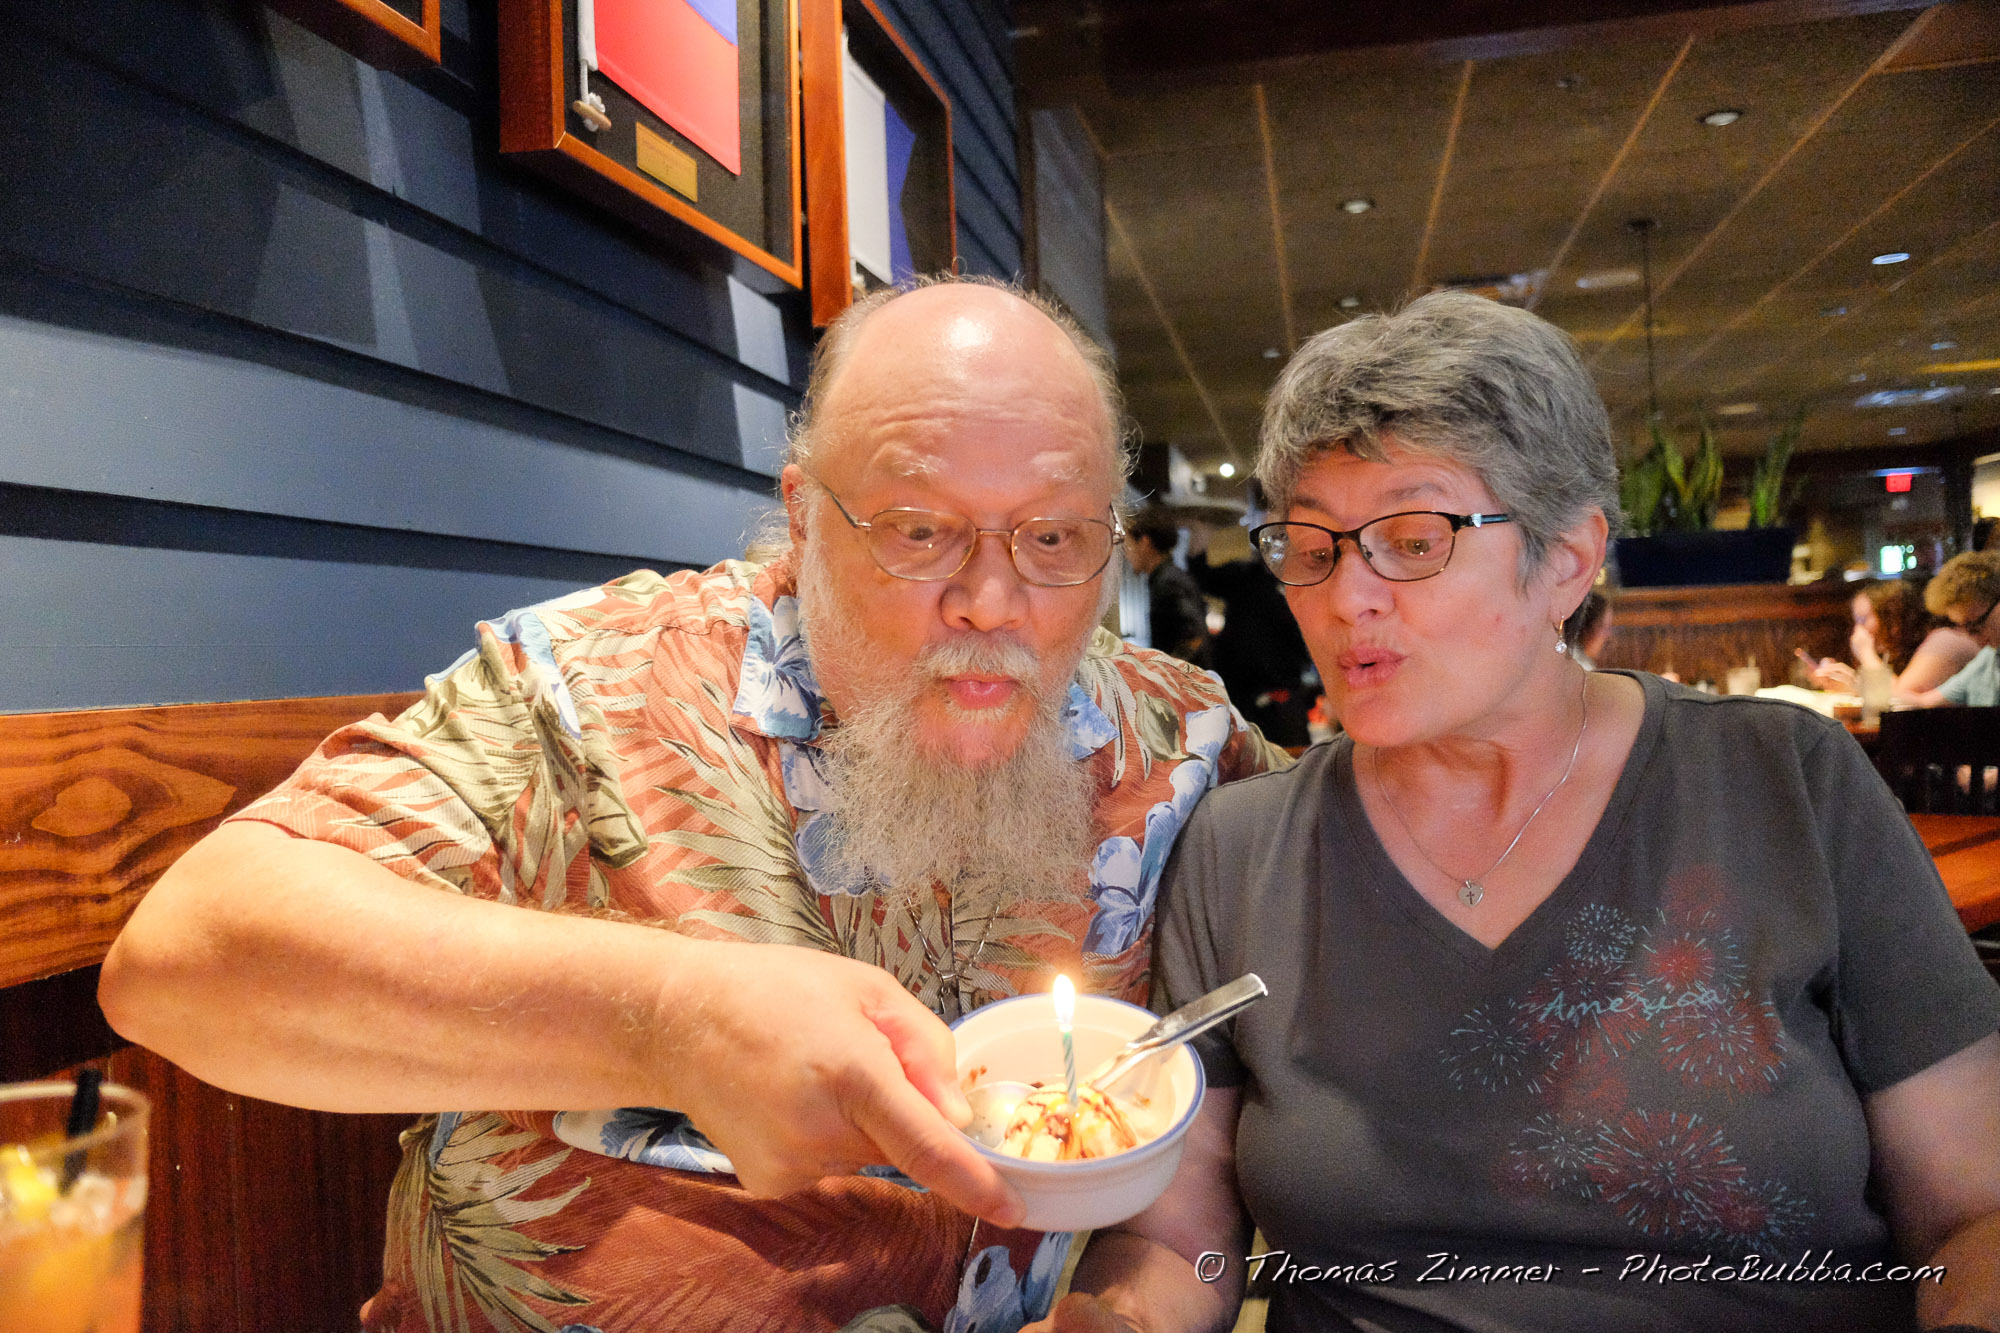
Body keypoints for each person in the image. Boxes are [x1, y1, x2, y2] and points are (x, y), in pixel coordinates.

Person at [97, 278, 1285, 1333]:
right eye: (919, 531)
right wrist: (667, 1017)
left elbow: (1210, 1180)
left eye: (1053, 536)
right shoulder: (590, 691)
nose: (991, 597)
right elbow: (182, 963)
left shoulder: (1180, 743)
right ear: (804, 515)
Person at [1032, 292, 2000, 1333]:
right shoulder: (1239, 848)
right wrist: (1117, 1320)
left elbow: (1973, 1211)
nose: (1346, 597)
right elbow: (1178, 1239)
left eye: (1413, 539)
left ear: (1567, 560)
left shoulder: (1784, 783)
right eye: (1311, 547)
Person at [1185, 490, 1318, 749]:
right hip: (1246, 703)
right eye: (1268, 534)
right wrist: (1200, 530)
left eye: (1282, 534)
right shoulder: (1249, 576)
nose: (1274, 541)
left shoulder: (1311, 578)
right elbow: (1202, 574)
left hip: (1284, 705)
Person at [1804, 578, 1978, 697]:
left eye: (1863, 620)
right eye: (1856, 621)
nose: (1858, 630)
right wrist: (1853, 684)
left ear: (1894, 619)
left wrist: (1866, 654)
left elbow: (1897, 699)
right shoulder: (1903, 650)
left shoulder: (1944, 641)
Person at [1125, 508, 1215, 669]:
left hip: (1186, 680)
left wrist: (1164, 669)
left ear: (1145, 543)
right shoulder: (1169, 576)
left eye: (1129, 545)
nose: (1127, 555)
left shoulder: (1168, 582)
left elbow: (1193, 636)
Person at [1909, 552, 2000, 709]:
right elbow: (1924, 702)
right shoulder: (1989, 657)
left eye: (1974, 626)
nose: (1974, 638)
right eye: (1964, 628)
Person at [1565, 588, 1615, 670]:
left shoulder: (1582, 662)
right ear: (1584, 628)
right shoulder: (1579, 667)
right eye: (1604, 628)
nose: (1608, 636)